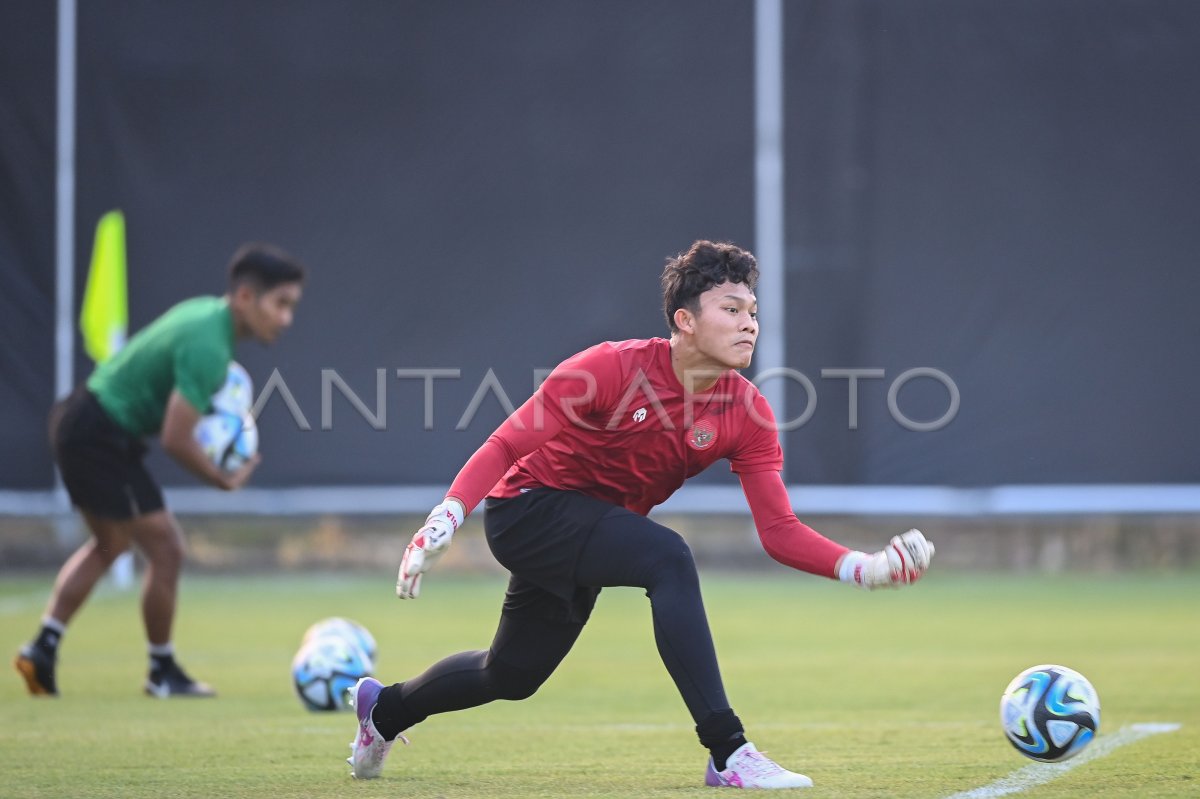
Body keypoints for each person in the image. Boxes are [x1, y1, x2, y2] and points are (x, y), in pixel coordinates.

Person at [347, 240, 934, 788]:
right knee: (668, 557)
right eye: (730, 308)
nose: (749, 322)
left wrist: (863, 567)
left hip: (590, 531)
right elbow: (506, 444)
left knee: (511, 676)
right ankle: (728, 753)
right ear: (684, 320)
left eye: (752, 310)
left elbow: (778, 532)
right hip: (525, 511)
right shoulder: (610, 367)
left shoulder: (747, 413)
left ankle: (385, 709)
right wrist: (446, 517)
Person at [14, 243, 305, 698]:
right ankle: (161, 670)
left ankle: (42, 648)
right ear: (246, 297)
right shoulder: (209, 346)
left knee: (110, 545)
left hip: (82, 421)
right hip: (98, 433)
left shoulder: (206, 318)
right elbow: (176, 437)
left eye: (292, 306)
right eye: (280, 304)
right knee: (166, 548)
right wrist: (222, 479)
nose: (286, 318)